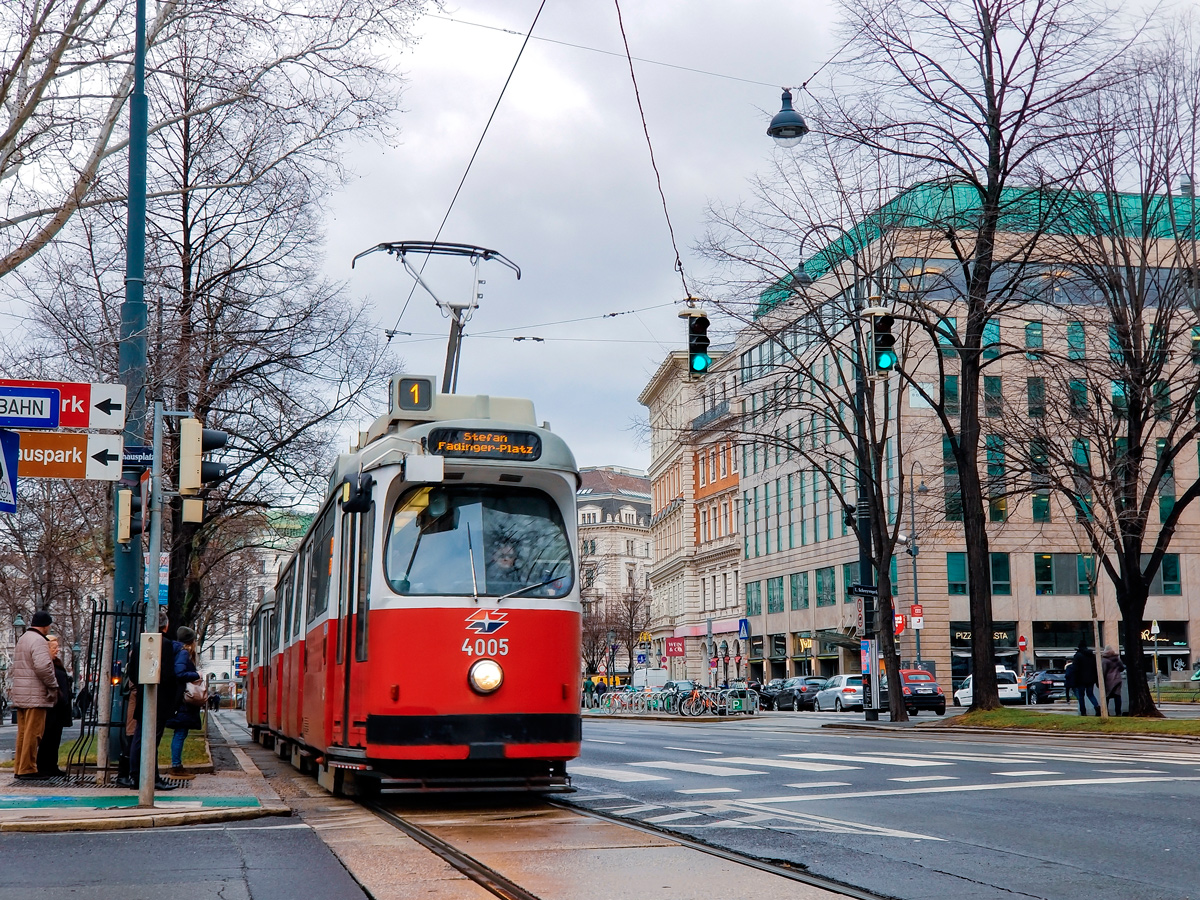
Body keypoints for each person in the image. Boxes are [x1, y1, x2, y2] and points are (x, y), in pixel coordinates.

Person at [116, 621, 180, 791]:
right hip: (158, 699)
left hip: (143, 696)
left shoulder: (139, 645)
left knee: (140, 737)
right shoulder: (165, 644)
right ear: (165, 626)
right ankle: (151, 777)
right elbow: (167, 674)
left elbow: (133, 672)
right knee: (151, 739)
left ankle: (136, 776)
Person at [11, 610, 58, 781]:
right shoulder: (39, 641)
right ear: (46, 625)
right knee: (34, 733)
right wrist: (53, 685)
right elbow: (43, 666)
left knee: (23, 733)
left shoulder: (23, 638)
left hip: (22, 693)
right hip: (35, 694)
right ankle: (28, 768)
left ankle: (20, 766)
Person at [165, 627, 202, 780]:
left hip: (177, 698)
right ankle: (176, 766)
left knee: (180, 732)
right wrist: (196, 674)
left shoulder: (176, 650)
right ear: (191, 641)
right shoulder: (184, 653)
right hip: (182, 701)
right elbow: (179, 673)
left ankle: (176, 764)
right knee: (180, 733)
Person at [35, 635, 73, 778]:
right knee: (48, 738)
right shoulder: (47, 665)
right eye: (54, 647)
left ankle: (52, 765)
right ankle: (44, 766)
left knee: (55, 738)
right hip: (52, 706)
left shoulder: (56, 664)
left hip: (59, 706)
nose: (57, 650)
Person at [1071, 641, 1101, 716]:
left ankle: (1083, 711)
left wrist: (1074, 680)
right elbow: (1095, 668)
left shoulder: (1077, 656)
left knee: (1081, 696)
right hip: (1091, 679)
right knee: (1090, 694)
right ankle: (1097, 706)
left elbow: (1075, 669)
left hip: (1080, 679)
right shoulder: (1092, 656)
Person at [1102, 647, 1126, 717]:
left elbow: (1103, 671)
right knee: (1117, 696)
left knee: (1106, 697)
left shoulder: (1104, 660)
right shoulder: (1117, 659)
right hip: (1117, 679)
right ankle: (1118, 712)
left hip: (1108, 680)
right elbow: (1122, 668)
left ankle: (1106, 712)